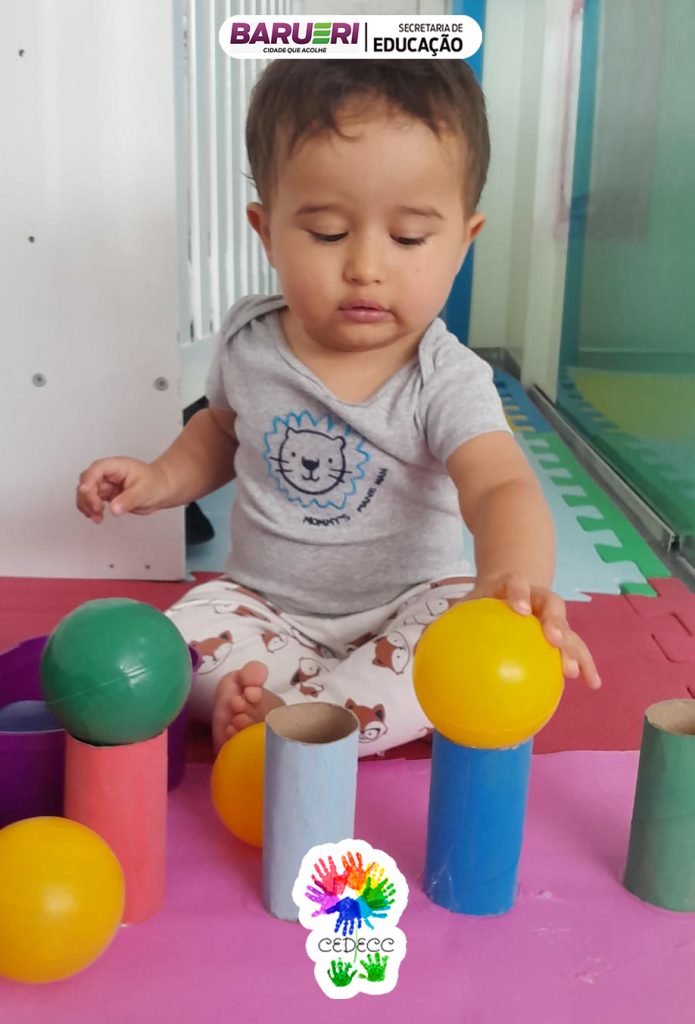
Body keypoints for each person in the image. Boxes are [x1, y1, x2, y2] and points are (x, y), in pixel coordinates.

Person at [76, 59, 600, 756]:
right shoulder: (249, 340)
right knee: (165, 653)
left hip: (409, 603)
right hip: (264, 605)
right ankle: (306, 713)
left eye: (408, 238)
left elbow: (498, 484)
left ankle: (294, 715)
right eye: (326, 233)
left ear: (462, 242)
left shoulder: (444, 376)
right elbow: (221, 432)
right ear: (266, 231)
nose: (365, 268)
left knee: (461, 658)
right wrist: (159, 479)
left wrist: (512, 581)